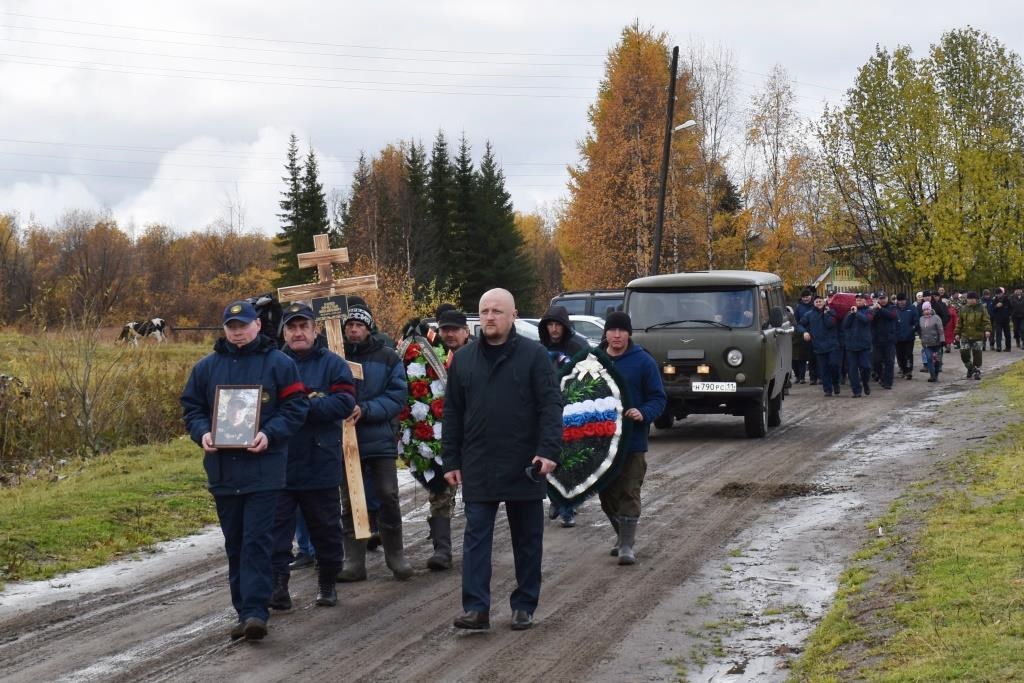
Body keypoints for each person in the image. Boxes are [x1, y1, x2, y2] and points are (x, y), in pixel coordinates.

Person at [181, 300, 309, 641]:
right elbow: (191, 408)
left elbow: (297, 407)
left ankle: (256, 612)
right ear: (224, 329)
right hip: (223, 471)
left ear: (257, 326)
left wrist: (270, 433)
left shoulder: (279, 364)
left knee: (256, 541)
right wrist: (202, 433)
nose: (237, 331)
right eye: (231, 326)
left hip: (264, 469)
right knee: (235, 543)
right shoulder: (206, 368)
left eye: (243, 324)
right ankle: (243, 611)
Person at [442, 288, 562, 631]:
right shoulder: (463, 360)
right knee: (476, 538)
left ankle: (524, 605)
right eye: (484, 311)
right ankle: (476, 609)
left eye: (497, 311)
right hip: (478, 463)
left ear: (513, 315)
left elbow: (551, 406)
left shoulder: (534, 356)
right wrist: (451, 458)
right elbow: (452, 413)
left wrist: (548, 450)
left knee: (526, 539)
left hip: (525, 463)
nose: (490, 317)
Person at [268, 303, 356, 611]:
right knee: (276, 530)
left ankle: (327, 581)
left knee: (325, 528)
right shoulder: (273, 363)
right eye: (291, 327)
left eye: (303, 326)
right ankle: (278, 586)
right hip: (279, 461)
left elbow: (345, 401)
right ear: (284, 332)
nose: (298, 332)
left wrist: (301, 408)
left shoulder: (333, 364)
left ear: (314, 330)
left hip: (320, 460)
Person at [337, 305, 413, 582]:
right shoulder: (336, 356)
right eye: (349, 325)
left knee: (387, 495)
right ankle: (354, 562)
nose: (354, 329)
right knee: (351, 500)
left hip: (378, 438)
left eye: (359, 325)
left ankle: (396, 555)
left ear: (369, 328)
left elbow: (396, 395)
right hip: (346, 441)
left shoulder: (387, 357)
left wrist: (365, 409)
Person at [598, 312, 667, 564]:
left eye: (622, 330)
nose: (617, 335)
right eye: (612, 330)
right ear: (605, 333)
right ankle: (621, 535)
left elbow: (658, 398)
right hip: (602, 442)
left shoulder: (643, 362)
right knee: (606, 493)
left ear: (629, 333)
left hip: (633, 441)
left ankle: (627, 545)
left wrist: (643, 412)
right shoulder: (595, 361)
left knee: (629, 490)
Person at [423, 308, 473, 571]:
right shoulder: (430, 357)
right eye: (445, 330)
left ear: (466, 331)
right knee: (441, 490)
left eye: (454, 329)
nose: (449, 334)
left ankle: (477, 546)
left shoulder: (478, 355)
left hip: (476, 435)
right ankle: (442, 550)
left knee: (477, 495)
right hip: (443, 435)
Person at [537, 305, 588, 528]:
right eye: (550, 324)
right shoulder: (539, 349)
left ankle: (567, 505)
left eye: (558, 325)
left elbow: (588, 375)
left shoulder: (578, 347)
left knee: (570, 460)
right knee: (550, 456)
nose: (554, 329)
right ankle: (557, 499)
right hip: (548, 410)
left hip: (573, 408)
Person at [797, 294, 841, 396]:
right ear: (814, 303)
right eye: (816, 302)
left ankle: (836, 383)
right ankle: (827, 389)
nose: (818, 303)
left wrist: (826, 313)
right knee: (824, 369)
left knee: (834, 365)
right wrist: (804, 332)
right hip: (818, 346)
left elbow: (830, 324)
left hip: (832, 345)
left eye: (820, 301)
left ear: (824, 302)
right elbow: (799, 325)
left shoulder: (831, 312)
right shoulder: (809, 314)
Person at [953, 291, 992, 380]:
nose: (970, 300)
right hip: (965, 335)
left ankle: (977, 371)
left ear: (976, 299)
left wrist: (987, 330)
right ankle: (970, 368)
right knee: (963, 353)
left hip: (977, 334)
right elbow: (959, 323)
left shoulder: (982, 308)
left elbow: (986, 321)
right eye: (969, 299)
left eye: (972, 299)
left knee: (977, 354)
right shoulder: (963, 309)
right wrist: (957, 333)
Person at [842, 293, 875, 398]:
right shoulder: (850, 313)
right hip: (851, 345)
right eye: (857, 300)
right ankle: (856, 390)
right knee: (852, 370)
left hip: (864, 344)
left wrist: (856, 314)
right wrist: (851, 314)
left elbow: (866, 320)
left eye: (860, 300)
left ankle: (865, 383)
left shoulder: (869, 311)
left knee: (865, 367)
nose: (858, 302)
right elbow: (845, 325)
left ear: (865, 301)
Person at [869, 292, 898, 389]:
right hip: (877, 340)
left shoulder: (892, 307)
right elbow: (870, 320)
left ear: (887, 298)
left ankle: (888, 382)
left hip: (889, 340)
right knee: (876, 361)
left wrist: (881, 309)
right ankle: (881, 377)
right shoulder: (875, 308)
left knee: (889, 362)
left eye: (884, 298)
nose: (882, 300)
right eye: (880, 298)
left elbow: (892, 316)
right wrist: (874, 310)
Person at [793, 288, 818, 385]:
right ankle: (805, 377)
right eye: (804, 297)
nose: (806, 299)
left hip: (816, 333)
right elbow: (797, 322)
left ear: (811, 296)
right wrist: (802, 332)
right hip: (804, 335)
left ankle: (815, 376)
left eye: (807, 297)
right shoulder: (799, 308)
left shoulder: (815, 305)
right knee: (805, 357)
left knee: (815, 357)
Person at [894, 293, 919, 380]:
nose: (901, 302)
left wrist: (912, 329)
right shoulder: (894, 309)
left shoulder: (912, 308)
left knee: (908, 354)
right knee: (899, 355)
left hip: (909, 337)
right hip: (897, 337)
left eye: (903, 300)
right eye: (899, 300)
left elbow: (916, 321)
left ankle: (909, 371)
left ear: (906, 300)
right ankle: (902, 369)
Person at [919, 302, 945, 382]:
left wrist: (942, 340)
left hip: (936, 343)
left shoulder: (936, 318)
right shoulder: (921, 319)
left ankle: (936, 374)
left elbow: (941, 330)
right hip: (926, 343)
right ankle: (932, 375)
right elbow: (921, 331)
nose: (926, 311)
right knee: (929, 358)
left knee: (937, 360)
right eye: (924, 310)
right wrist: (921, 339)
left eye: (927, 309)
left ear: (930, 309)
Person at [990, 287, 1012, 352]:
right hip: (998, 320)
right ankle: (998, 347)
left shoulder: (1007, 299)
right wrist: (996, 306)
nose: (998, 295)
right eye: (997, 294)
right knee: (998, 333)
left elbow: (1011, 308)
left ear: (1002, 293)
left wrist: (1008, 315)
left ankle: (1008, 347)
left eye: (1000, 294)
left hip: (1006, 319)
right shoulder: (994, 300)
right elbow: (992, 310)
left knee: (1007, 334)